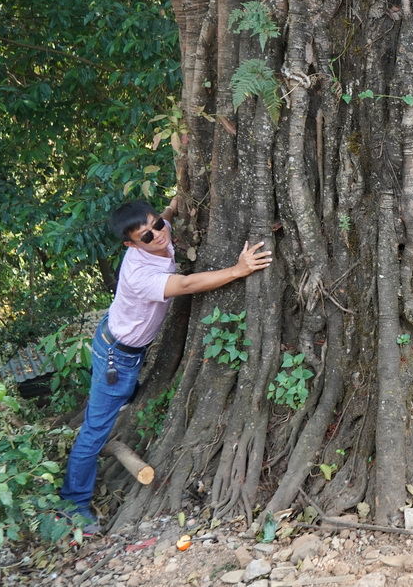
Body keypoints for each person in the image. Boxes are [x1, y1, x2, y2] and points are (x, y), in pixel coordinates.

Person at [59, 198, 272, 534]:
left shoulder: (160, 230)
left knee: (120, 402)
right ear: (130, 244)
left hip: (120, 338)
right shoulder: (139, 274)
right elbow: (185, 286)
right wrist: (239, 270)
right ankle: (73, 503)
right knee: (95, 430)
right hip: (117, 354)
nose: (157, 235)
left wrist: (172, 206)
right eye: (146, 236)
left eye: (157, 224)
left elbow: (166, 217)